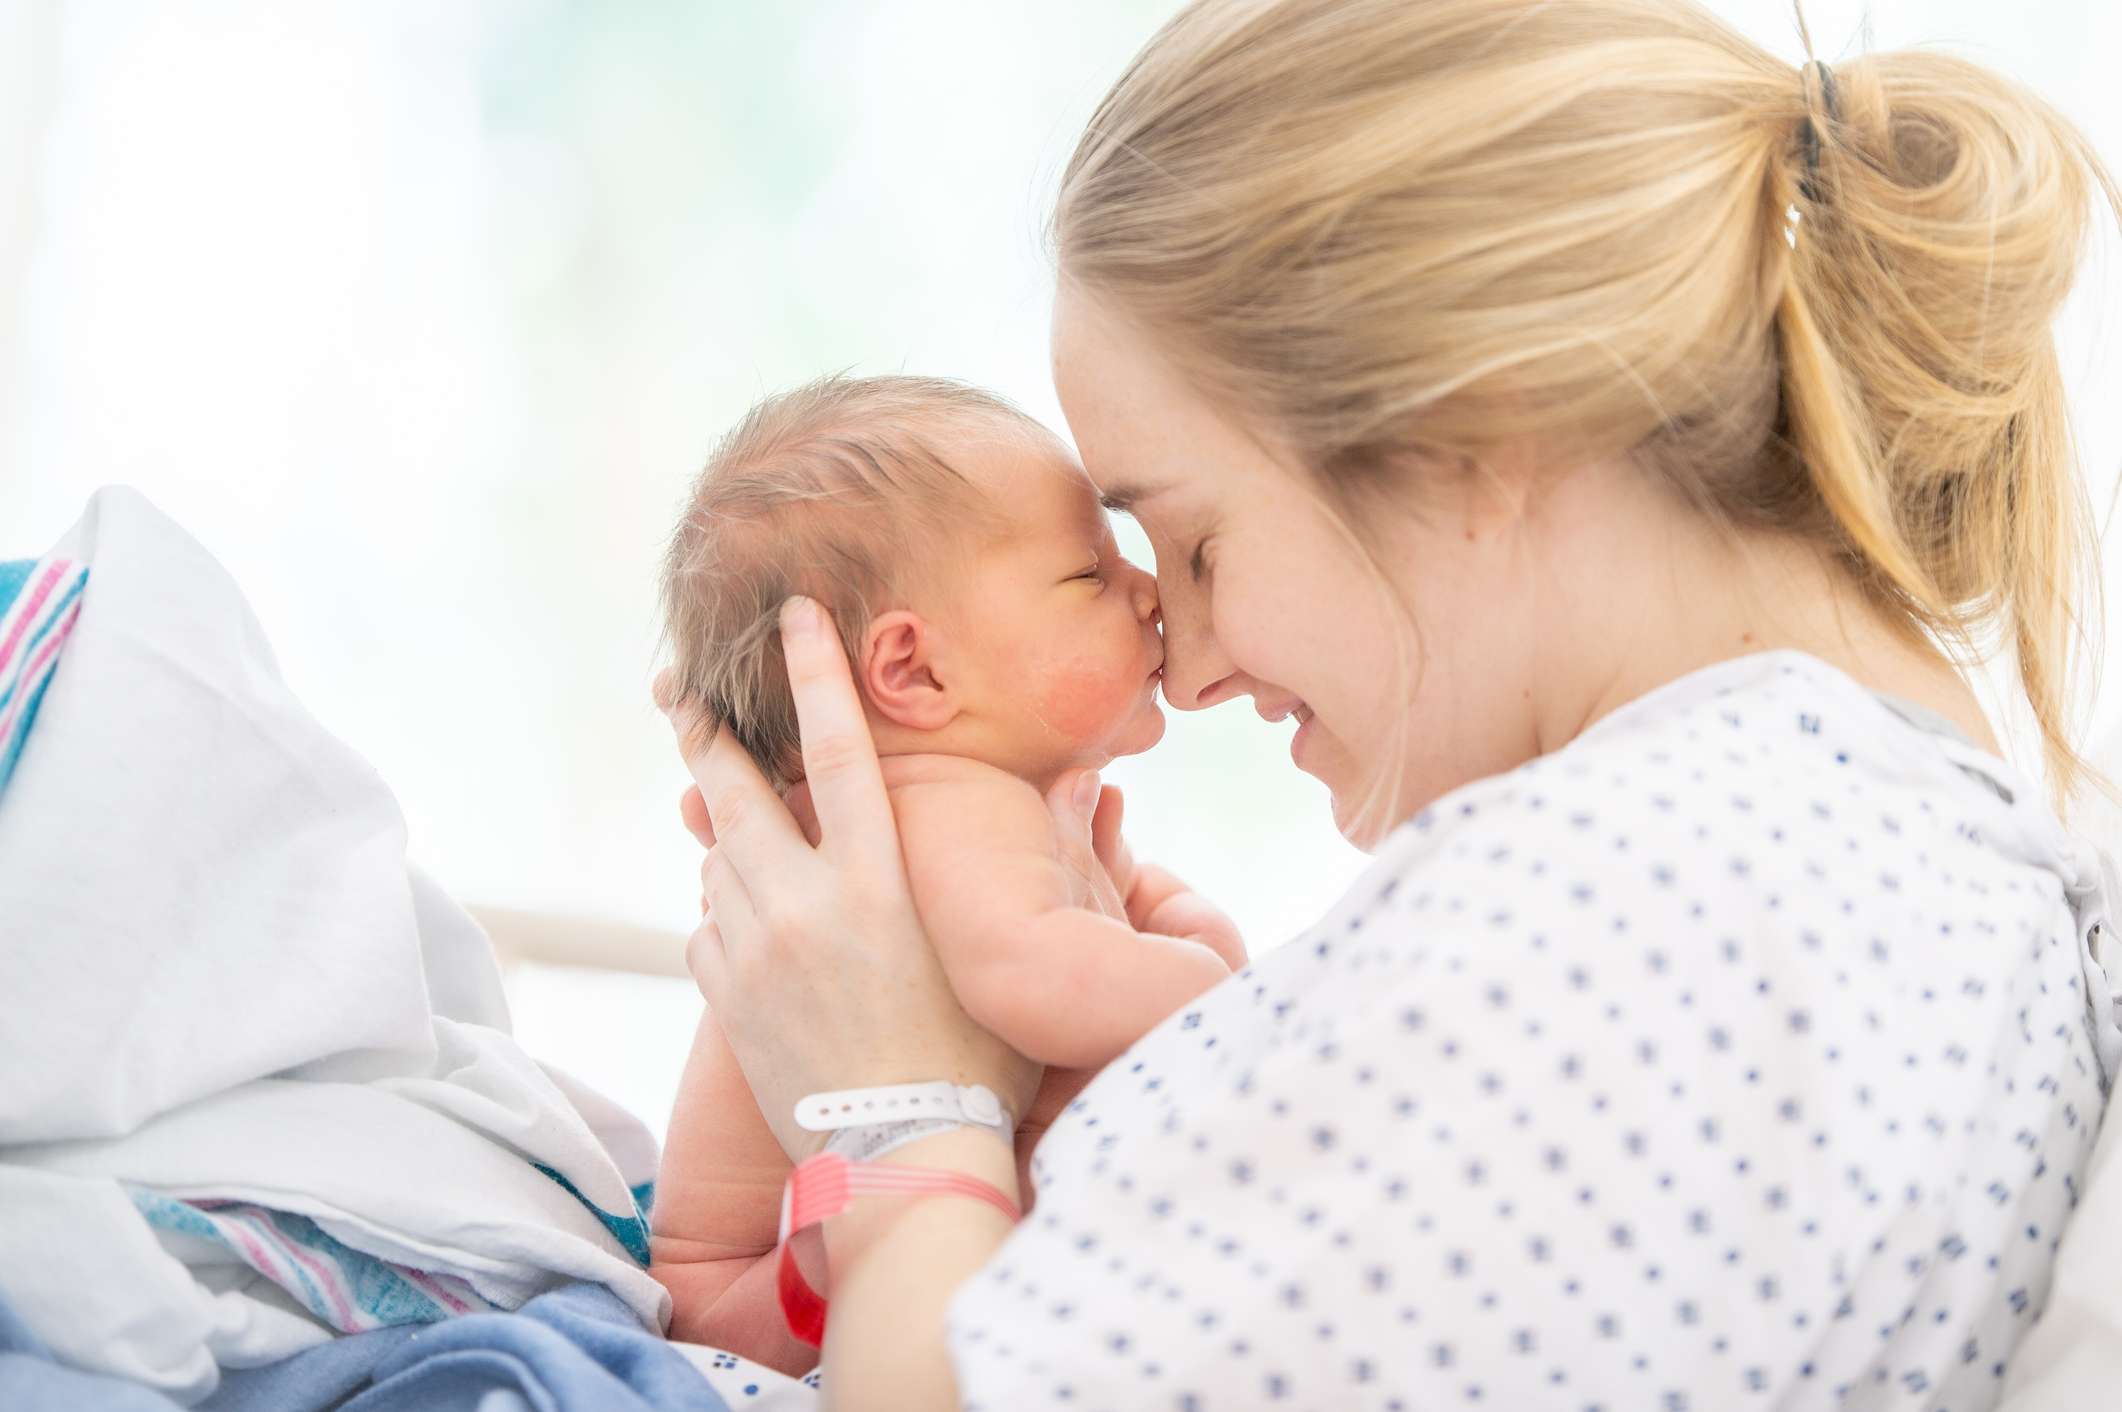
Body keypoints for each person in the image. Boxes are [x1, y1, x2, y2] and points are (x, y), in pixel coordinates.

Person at [664, 0, 2122, 1406]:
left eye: (1199, 543)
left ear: (1468, 430)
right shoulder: (1886, 854)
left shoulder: (1628, 911)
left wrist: (891, 1100)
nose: (1182, 666)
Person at [648, 375, 1243, 1372]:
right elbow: (1040, 976)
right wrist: (1223, 988)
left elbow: (1104, 928)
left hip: (791, 1276)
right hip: (753, 1304)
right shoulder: (947, 806)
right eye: (1087, 574)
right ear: (914, 671)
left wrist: (1170, 927)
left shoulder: (994, 804)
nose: (1146, 587)